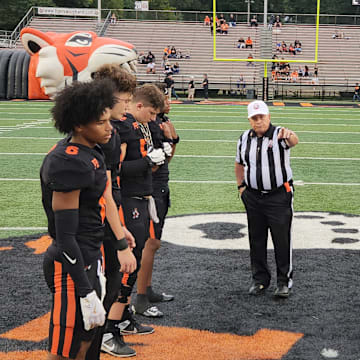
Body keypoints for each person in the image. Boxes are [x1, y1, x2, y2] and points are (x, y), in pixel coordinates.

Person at [41, 79, 136, 360]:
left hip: (90, 253)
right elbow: (66, 235)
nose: (109, 128)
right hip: (71, 261)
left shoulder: (90, 150)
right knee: (65, 345)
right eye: (100, 122)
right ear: (78, 124)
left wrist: (119, 236)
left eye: (108, 120)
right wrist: (84, 289)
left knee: (86, 337)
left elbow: (99, 199)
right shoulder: (68, 162)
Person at [88, 64, 139, 359]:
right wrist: (119, 238)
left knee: (107, 283)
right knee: (101, 285)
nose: (128, 106)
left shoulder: (110, 131)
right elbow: (104, 191)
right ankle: (105, 333)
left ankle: (104, 332)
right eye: (124, 100)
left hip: (101, 220)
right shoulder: (105, 135)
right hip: (90, 227)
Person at [235, 100, 298, 298]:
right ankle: (260, 279)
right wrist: (241, 187)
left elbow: (293, 141)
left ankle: (283, 281)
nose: (258, 121)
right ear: (249, 120)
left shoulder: (279, 134)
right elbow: (239, 164)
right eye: (254, 118)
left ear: (268, 116)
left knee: (281, 238)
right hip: (253, 196)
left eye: (261, 117)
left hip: (278, 195)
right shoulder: (244, 138)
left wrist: (291, 135)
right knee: (256, 238)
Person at [134, 86, 179, 315]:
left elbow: (166, 159)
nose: (169, 101)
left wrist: (173, 141)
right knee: (150, 243)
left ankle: (147, 289)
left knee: (154, 242)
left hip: (160, 186)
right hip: (151, 188)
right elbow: (152, 163)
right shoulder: (148, 124)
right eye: (166, 97)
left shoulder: (160, 121)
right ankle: (140, 298)